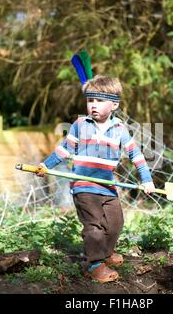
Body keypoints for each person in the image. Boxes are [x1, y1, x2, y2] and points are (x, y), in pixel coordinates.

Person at [36, 74, 155, 283]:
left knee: (115, 223)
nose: (93, 105)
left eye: (99, 101)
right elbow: (64, 150)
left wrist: (146, 179)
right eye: (90, 100)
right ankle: (94, 264)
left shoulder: (119, 130)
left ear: (114, 105)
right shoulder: (80, 125)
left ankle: (106, 253)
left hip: (107, 186)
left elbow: (136, 155)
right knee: (94, 226)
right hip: (84, 185)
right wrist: (46, 165)